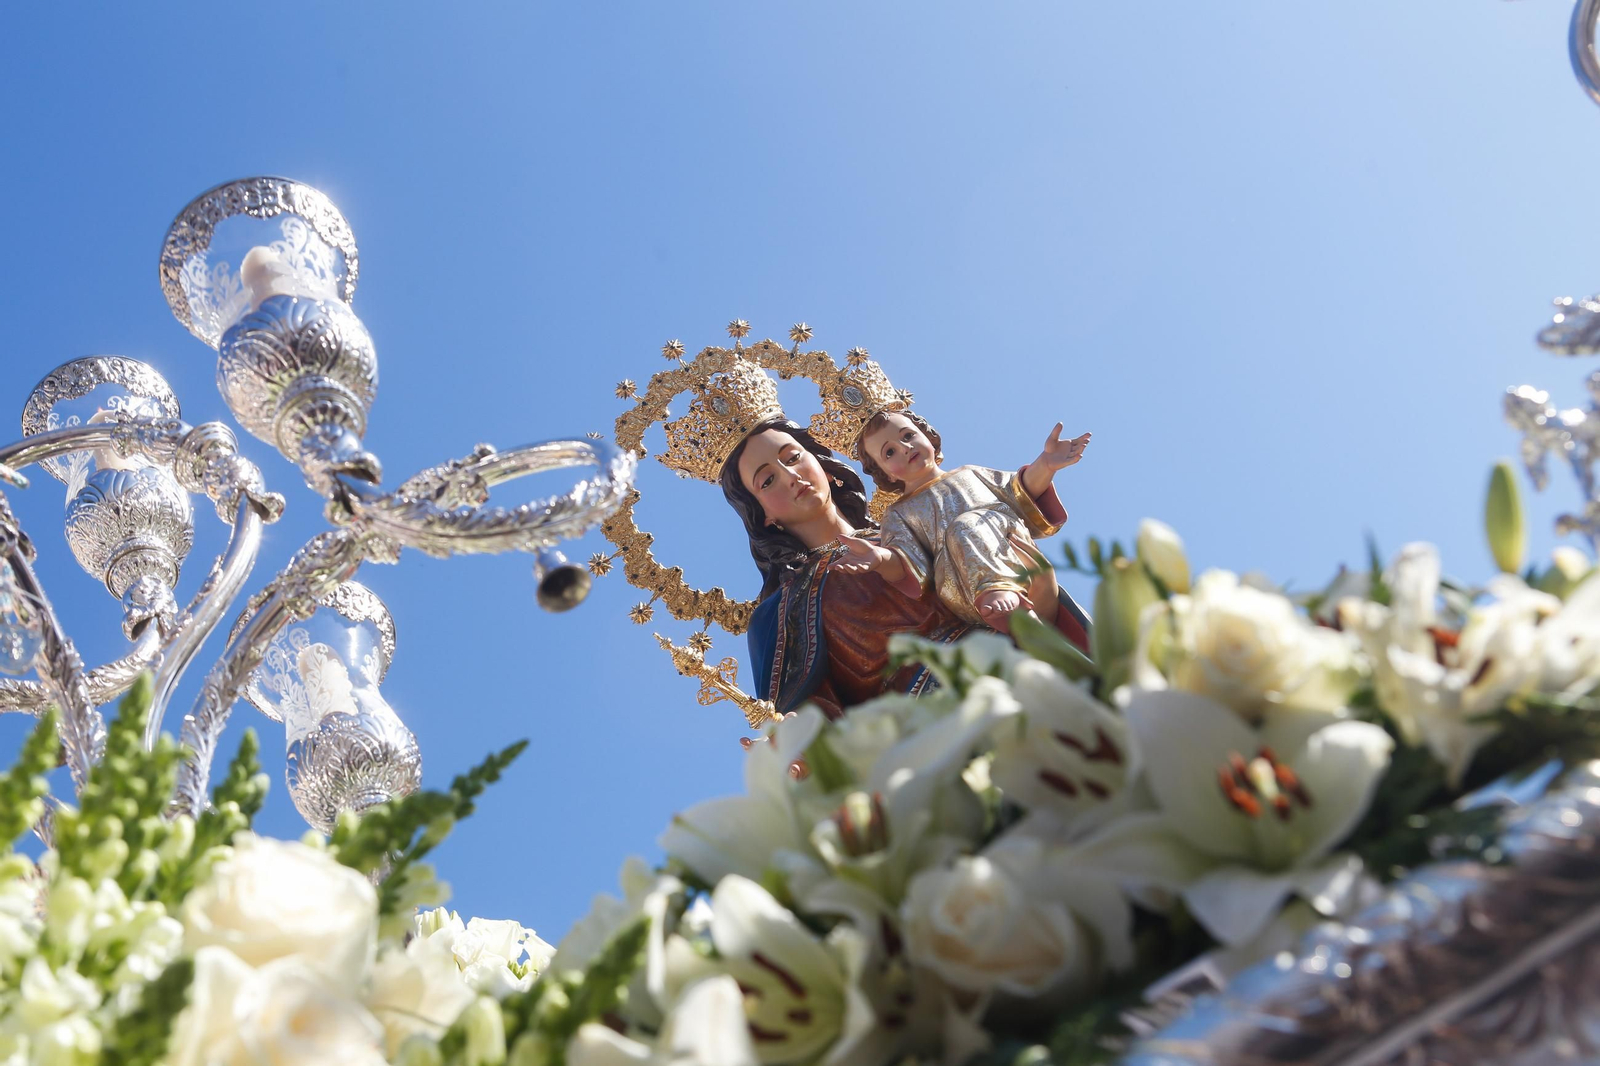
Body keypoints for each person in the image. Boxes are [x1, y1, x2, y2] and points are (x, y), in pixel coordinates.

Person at [720, 417, 979, 719]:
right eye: (767, 481)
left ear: (822, 465)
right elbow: (807, 716)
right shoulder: (782, 613)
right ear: (762, 514)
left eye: (793, 458)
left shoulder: (910, 523)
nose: (791, 476)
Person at [838, 409, 1091, 641]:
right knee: (963, 529)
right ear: (886, 473)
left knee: (968, 525)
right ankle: (1006, 607)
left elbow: (1018, 492)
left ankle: (1000, 587)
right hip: (966, 591)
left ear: (927, 436)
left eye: (908, 435)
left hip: (1019, 561)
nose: (904, 448)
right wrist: (880, 558)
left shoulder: (970, 474)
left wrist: (1046, 464)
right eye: (889, 452)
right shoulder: (898, 514)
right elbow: (907, 563)